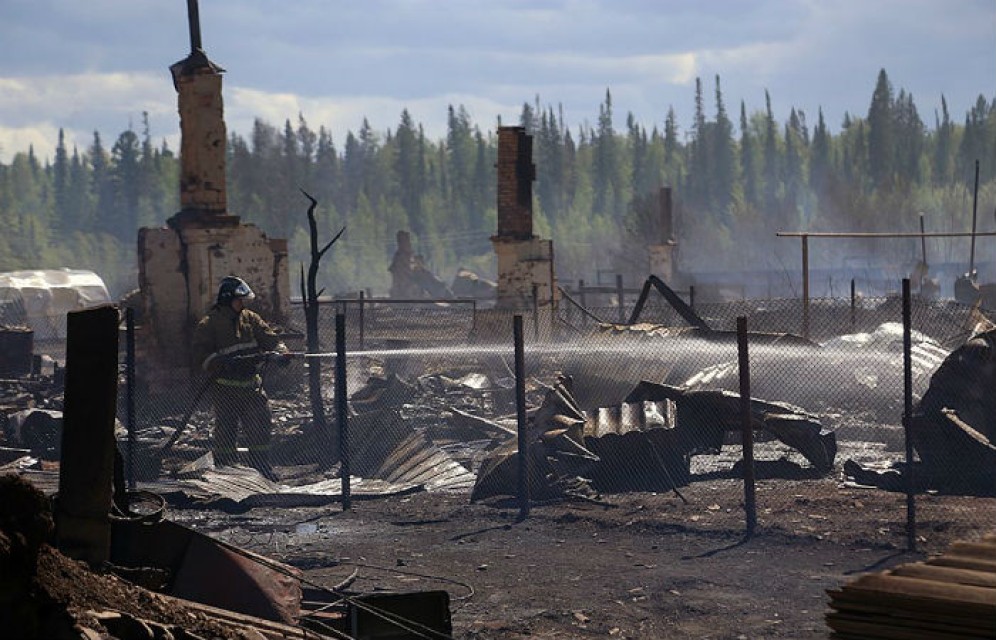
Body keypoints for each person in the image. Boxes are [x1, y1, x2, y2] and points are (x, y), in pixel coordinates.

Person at [192, 275, 289, 480]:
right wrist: (221, 362)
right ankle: (227, 471)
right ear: (228, 299)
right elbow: (200, 357)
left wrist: (282, 353)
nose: (242, 304)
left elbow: (271, 340)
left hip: (252, 386)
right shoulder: (209, 323)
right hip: (225, 389)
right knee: (226, 432)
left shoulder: (250, 319)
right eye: (239, 300)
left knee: (261, 425)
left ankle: (261, 468)